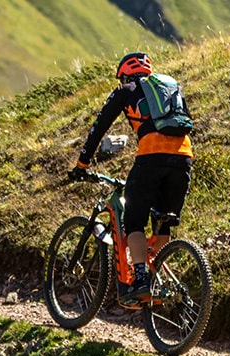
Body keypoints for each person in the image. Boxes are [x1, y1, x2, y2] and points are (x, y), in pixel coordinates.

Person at [69, 52, 193, 303]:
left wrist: (82, 164)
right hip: (183, 158)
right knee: (163, 221)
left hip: (151, 157)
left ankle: (140, 278)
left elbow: (99, 126)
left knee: (134, 221)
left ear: (124, 74)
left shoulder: (125, 90)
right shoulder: (169, 88)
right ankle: (155, 275)